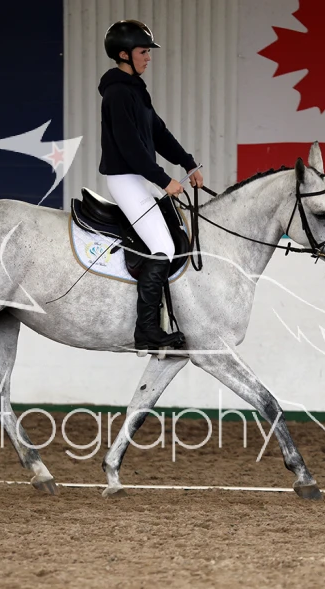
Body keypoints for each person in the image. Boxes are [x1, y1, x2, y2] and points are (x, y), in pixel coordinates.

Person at [98, 19, 204, 351]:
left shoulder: (135, 90)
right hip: (124, 178)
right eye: (143, 52)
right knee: (162, 247)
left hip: (138, 176)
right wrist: (164, 179)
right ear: (123, 54)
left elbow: (158, 133)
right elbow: (130, 148)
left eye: (148, 52)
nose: (148, 57)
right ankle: (146, 330)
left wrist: (188, 162)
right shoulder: (117, 94)